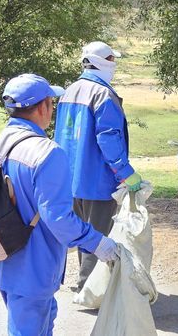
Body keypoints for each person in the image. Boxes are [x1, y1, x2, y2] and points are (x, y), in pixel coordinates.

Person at [0, 73, 118, 335]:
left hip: (3, 261)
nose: (52, 109)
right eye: (51, 103)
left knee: (39, 322)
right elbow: (58, 218)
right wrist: (98, 243)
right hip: (35, 266)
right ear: (43, 107)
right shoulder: (48, 153)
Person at [54, 41, 142, 292]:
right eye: (113, 60)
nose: (114, 66)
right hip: (97, 181)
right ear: (103, 62)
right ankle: (89, 290)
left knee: (77, 232)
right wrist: (126, 173)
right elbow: (108, 138)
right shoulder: (103, 94)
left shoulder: (70, 91)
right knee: (96, 236)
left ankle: (71, 283)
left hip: (68, 178)